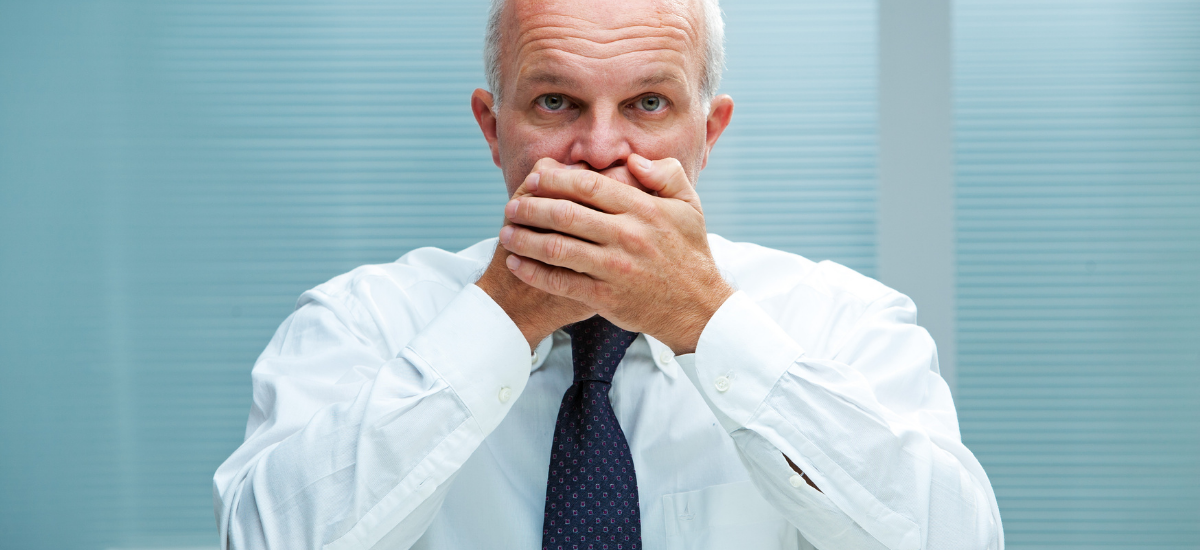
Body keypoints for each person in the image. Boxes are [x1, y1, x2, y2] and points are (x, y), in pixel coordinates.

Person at [213, 0, 1004, 548]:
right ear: (493, 129)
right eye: (556, 102)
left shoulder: (844, 324)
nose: (598, 151)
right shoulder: (359, 322)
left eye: (648, 104)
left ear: (709, 133)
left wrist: (705, 322)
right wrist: (502, 320)